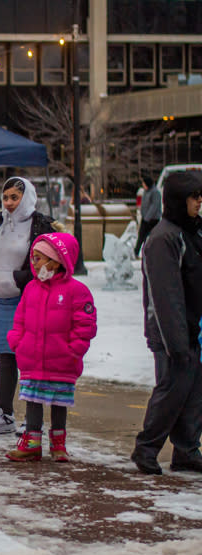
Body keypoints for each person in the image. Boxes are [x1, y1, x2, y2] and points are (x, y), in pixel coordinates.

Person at [131, 171, 202, 475]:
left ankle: (187, 450)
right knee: (173, 390)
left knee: (194, 391)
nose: (200, 202)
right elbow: (165, 295)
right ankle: (146, 448)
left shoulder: (191, 232)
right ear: (177, 200)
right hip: (172, 331)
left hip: (192, 328)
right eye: (194, 196)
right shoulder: (163, 238)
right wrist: (176, 341)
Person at [0, 177, 56, 435]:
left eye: (14, 197)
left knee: (29, 359)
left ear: (27, 197)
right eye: (6, 197)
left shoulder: (40, 224)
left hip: (26, 300)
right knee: (4, 359)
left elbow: (49, 263)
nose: (8, 203)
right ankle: (5, 415)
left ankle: (34, 419)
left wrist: (18, 280)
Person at [5, 233, 97, 462]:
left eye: (39, 258)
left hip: (62, 360)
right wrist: (17, 341)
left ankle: (59, 444)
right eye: (33, 258)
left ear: (55, 261)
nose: (34, 263)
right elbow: (20, 320)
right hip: (32, 358)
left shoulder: (77, 291)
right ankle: (32, 442)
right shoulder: (31, 289)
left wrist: (74, 350)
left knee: (59, 402)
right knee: (33, 400)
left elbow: (85, 324)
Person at [134, 171, 161, 259]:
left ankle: (155, 252)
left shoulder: (155, 192)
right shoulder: (145, 192)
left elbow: (154, 206)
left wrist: (147, 217)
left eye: (144, 184)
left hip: (153, 219)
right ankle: (136, 252)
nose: (143, 185)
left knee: (153, 237)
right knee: (141, 236)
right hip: (145, 218)